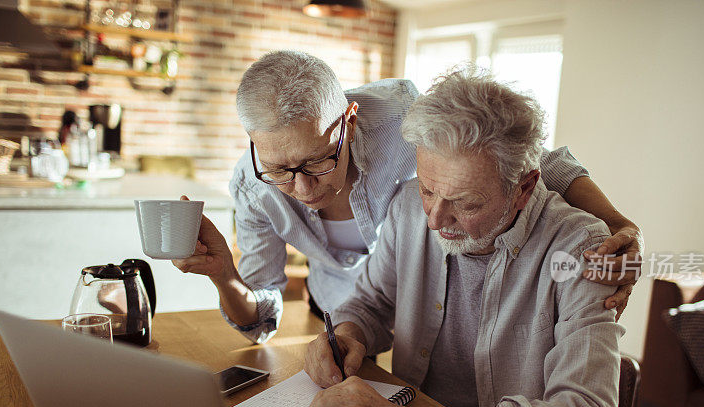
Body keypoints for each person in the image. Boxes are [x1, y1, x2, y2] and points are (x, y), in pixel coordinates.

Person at [300, 67, 628, 407]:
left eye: (465, 203)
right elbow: (373, 300)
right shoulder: (406, 209)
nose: (435, 219)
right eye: (428, 190)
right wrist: (346, 334)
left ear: (524, 187)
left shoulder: (583, 248)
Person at [173, 50, 642, 343]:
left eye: (318, 161)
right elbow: (262, 316)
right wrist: (224, 277)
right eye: (279, 169)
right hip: (347, 310)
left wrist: (620, 225)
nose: (302, 188)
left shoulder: (400, 111)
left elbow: (532, 160)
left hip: (430, 297)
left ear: (349, 121)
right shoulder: (252, 186)